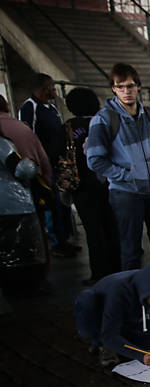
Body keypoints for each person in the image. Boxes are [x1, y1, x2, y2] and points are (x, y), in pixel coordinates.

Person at [86, 63, 150, 271]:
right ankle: (134, 300)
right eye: (121, 87)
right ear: (114, 89)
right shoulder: (104, 119)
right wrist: (128, 176)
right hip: (126, 193)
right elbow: (95, 159)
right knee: (131, 250)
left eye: (130, 86)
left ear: (138, 87)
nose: (126, 91)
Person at [63, 88, 121, 285]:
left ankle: (99, 272)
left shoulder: (68, 128)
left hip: (83, 187)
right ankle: (118, 267)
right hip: (110, 183)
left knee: (93, 231)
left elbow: (59, 155)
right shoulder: (107, 123)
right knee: (112, 227)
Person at [19, 72, 78, 258]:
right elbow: (27, 136)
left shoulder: (52, 108)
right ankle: (56, 242)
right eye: (52, 87)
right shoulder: (30, 107)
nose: (54, 90)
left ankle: (66, 238)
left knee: (64, 203)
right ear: (45, 89)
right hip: (44, 165)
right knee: (51, 205)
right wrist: (37, 163)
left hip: (59, 163)